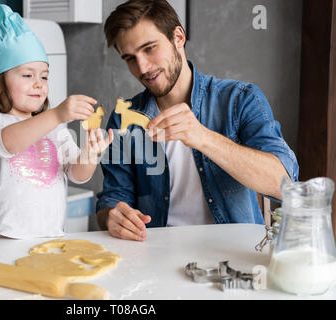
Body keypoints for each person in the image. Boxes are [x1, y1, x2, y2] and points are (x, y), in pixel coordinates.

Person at [96, 0, 299, 241]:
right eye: (130, 58)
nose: (142, 67)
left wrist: (203, 137)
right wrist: (112, 216)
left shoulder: (240, 99)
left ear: (178, 37)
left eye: (150, 48)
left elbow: (284, 183)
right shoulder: (124, 118)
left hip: (232, 258)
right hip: (154, 258)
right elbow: (112, 197)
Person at [0, 5, 113, 239]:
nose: (39, 83)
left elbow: (78, 174)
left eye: (44, 76)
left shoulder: (55, 128)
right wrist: (57, 115)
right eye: (28, 75)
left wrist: (90, 153)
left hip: (48, 241)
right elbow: (6, 144)